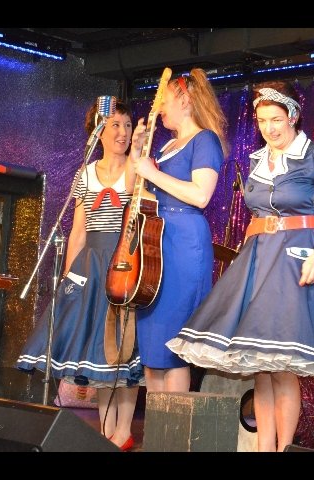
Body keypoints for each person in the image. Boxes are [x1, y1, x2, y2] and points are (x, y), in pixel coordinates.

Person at [167, 80, 314, 452]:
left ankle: (285, 448)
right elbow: (257, 215)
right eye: (262, 120)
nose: (269, 127)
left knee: (282, 367)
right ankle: (264, 447)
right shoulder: (256, 160)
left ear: (293, 116)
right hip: (258, 258)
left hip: (296, 258)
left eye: (276, 119)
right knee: (262, 370)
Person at [16, 98, 142, 451]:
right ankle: (106, 431)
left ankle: (124, 431)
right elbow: (78, 229)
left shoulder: (137, 167)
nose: (122, 132)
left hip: (124, 260)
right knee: (98, 350)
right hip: (92, 264)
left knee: (124, 347)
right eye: (115, 125)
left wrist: (138, 154)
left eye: (127, 125)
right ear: (98, 131)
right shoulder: (84, 174)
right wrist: (70, 275)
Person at [125, 68, 228, 394]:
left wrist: (152, 173)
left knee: (173, 349)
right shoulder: (167, 146)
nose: (158, 109)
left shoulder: (205, 140)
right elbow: (132, 189)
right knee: (153, 350)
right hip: (155, 244)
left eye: (164, 100)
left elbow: (201, 195)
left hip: (184, 244)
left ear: (185, 100)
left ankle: (174, 423)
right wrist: (136, 152)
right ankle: (157, 423)